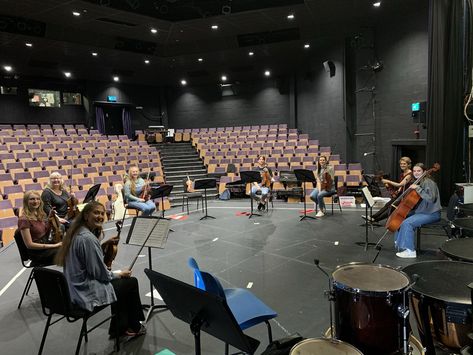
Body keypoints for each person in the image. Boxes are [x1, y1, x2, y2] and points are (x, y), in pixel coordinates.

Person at [55, 201, 146, 337]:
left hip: (72, 289)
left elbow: (87, 260)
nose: (100, 216)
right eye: (96, 212)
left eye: (102, 213)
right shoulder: (88, 239)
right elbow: (100, 274)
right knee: (130, 282)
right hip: (85, 293)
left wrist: (103, 245)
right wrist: (119, 274)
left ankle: (121, 326)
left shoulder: (76, 232)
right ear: (86, 216)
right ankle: (133, 326)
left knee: (122, 285)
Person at [394, 163, 441, 258]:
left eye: (419, 171)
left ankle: (410, 251)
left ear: (424, 171)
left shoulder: (428, 182)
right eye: (414, 171)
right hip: (424, 211)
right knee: (401, 217)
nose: (416, 173)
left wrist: (418, 188)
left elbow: (431, 198)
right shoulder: (420, 181)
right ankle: (400, 243)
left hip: (432, 213)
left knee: (407, 223)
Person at [363, 156, 413, 223]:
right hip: (401, 193)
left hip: (405, 195)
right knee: (387, 205)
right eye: (401, 164)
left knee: (391, 208)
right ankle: (373, 217)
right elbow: (403, 186)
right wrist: (397, 191)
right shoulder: (403, 173)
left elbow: (400, 184)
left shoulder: (409, 174)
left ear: (408, 164)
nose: (402, 165)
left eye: (404, 164)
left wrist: (388, 181)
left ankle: (375, 219)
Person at [18, 191, 62, 264]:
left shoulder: (39, 214)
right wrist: (54, 245)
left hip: (46, 245)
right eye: (32, 199)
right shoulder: (24, 220)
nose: (36, 201)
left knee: (72, 246)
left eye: (38, 199)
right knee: (68, 252)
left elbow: (44, 230)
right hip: (38, 253)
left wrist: (50, 218)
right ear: (26, 202)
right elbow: (29, 245)